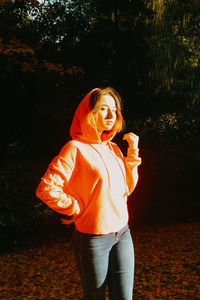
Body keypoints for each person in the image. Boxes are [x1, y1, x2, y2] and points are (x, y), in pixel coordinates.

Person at [36, 87, 141, 300]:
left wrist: (132, 152)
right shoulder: (74, 148)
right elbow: (46, 188)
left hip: (122, 234)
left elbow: (127, 188)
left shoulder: (113, 149)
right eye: (104, 109)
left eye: (114, 109)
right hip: (93, 240)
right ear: (89, 113)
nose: (112, 115)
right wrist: (76, 208)